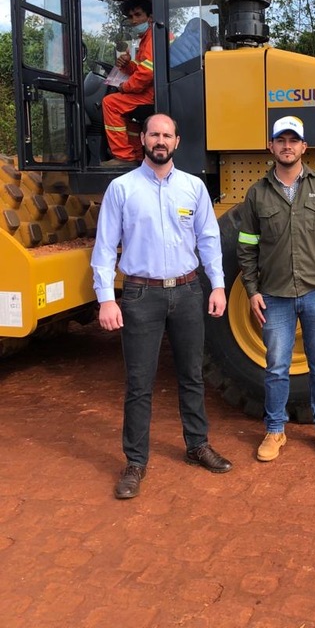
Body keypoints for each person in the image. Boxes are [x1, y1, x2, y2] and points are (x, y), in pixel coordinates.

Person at [91, 113, 232, 499]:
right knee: (139, 384)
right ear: (143, 139)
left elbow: (208, 239)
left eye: (167, 135)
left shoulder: (193, 188)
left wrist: (217, 286)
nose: (160, 140)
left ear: (177, 141)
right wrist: (106, 298)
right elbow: (104, 248)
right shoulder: (121, 189)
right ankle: (135, 463)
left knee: (191, 375)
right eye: (154, 133)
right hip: (140, 295)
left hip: (187, 292)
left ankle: (196, 445)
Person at [236, 115, 315, 462]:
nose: (287, 146)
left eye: (293, 140)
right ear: (271, 146)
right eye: (280, 140)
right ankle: (275, 431)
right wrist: (252, 290)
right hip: (274, 296)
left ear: (304, 146)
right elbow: (246, 247)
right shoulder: (257, 194)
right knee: (275, 367)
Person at [101, 0, 155, 165]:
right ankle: (137, 154)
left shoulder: (153, 38)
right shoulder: (147, 38)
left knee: (110, 103)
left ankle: (123, 157)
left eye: (138, 15)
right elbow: (141, 69)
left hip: (152, 93)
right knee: (123, 113)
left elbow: (146, 74)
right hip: (152, 89)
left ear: (151, 17)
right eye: (131, 17)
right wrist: (126, 65)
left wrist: (125, 87)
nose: (134, 20)